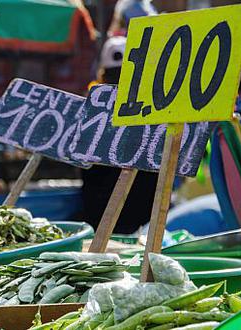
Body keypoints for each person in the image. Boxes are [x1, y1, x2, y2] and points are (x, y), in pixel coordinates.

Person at [82, 36, 159, 233]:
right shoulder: (155, 111)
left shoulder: (90, 111)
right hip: (141, 226)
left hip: (101, 224)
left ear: (102, 75)